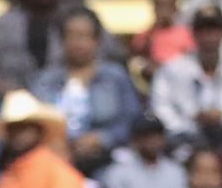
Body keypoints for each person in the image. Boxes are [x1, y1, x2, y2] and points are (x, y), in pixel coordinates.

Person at [29, 9, 141, 176]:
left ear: (97, 40)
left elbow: (131, 120)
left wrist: (103, 138)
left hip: (107, 159)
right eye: (72, 36)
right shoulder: (45, 80)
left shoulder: (114, 77)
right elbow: (33, 121)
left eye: (84, 36)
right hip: (55, 159)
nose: (78, 43)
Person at [150, 7, 222, 155]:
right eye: (202, 30)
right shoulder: (171, 70)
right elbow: (160, 109)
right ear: (193, 33)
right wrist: (191, 121)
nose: (209, 36)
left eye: (214, 29)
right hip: (185, 142)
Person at [128, 0, 193, 88]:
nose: (164, 11)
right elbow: (136, 57)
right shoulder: (145, 34)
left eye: (167, 6)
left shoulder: (186, 34)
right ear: (154, 8)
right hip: (152, 81)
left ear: (175, 9)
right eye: (160, 6)